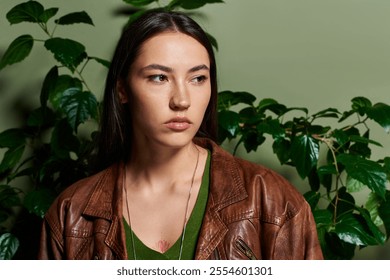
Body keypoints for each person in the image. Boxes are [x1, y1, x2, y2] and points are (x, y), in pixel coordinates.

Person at [38, 10, 323, 260]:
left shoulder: (271, 201)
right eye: (159, 77)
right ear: (123, 89)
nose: (182, 100)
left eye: (198, 78)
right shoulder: (71, 213)